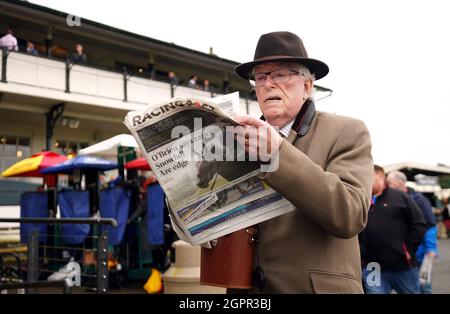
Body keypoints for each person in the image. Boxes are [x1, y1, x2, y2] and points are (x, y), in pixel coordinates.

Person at [229, 31, 374, 293]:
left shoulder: (347, 131)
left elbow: (350, 214)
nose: (268, 84)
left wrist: (278, 155)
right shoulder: (239, 140)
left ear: (307, 86)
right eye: (260, 78)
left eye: (281, 74)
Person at [359, 165, 426, 294]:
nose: (363, 179)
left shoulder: (399, 197)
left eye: (367, 175)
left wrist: (408, 250)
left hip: (402, 266)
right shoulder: (363, 199)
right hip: (373, 267)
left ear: (379, 176)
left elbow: (419, 223)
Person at [386, 171, 439, 294]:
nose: (387, 186)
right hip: (399, 255)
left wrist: (431, 249)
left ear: (400, 183)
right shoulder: (390, 198)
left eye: (390, 183)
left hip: (419, 253)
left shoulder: (418, 199)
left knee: (423, 285)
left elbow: (430, 225)